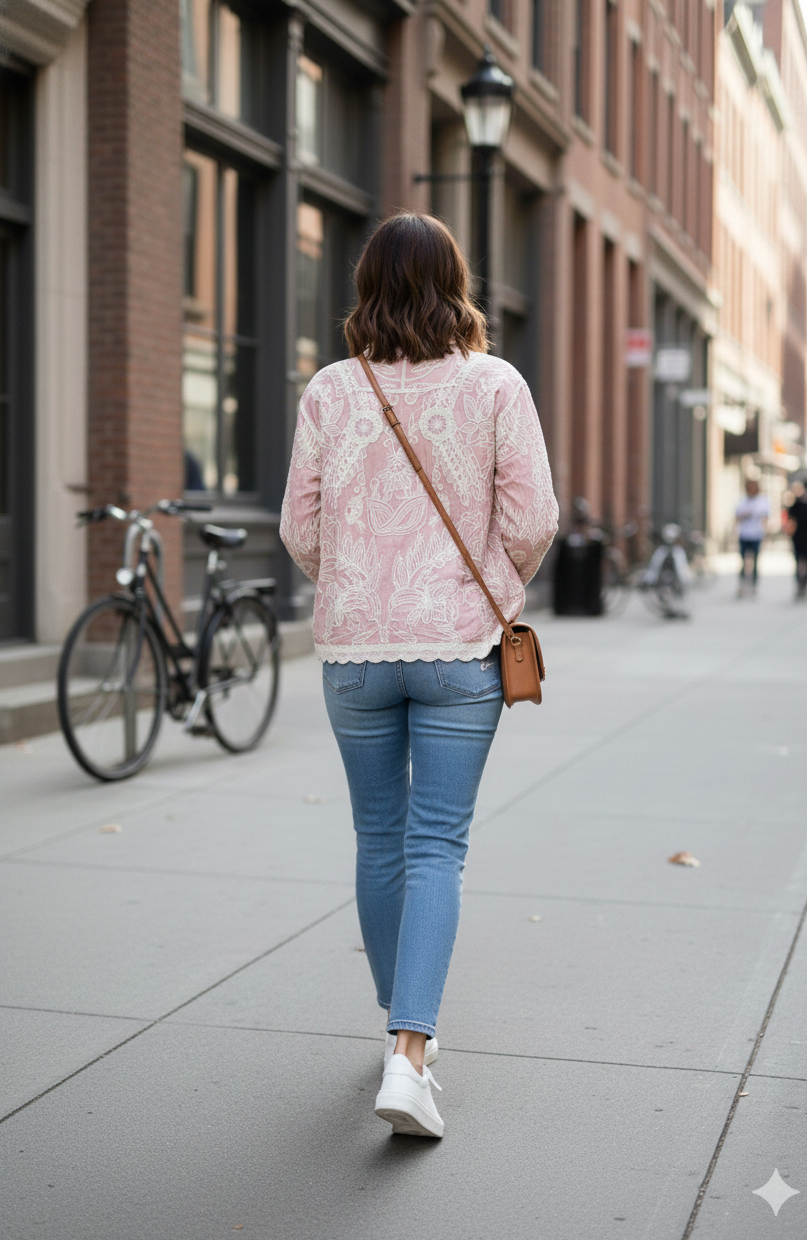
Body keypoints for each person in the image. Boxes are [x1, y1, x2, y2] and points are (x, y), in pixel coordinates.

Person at [280, 212, 558, 1137]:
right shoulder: (496, 383)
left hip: (355, 651)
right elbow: (534, 517)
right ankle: (410, 1054)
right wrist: (490, 589)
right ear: (456, 281)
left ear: (366, 286)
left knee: (377, 837)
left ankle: (406, 1045)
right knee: (437, 843)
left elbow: (297, 527)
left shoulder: (329, 388)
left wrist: (356, 585)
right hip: (456, 650)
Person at [735, 478, 770, 594]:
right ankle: (742, 584)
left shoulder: (762, 501)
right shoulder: (742, 501)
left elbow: (766, 517)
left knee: (755, 561)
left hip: (756, 534)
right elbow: (736, 517)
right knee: (743, 561)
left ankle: (754, 585)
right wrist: (745, 515)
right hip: (744, 534)